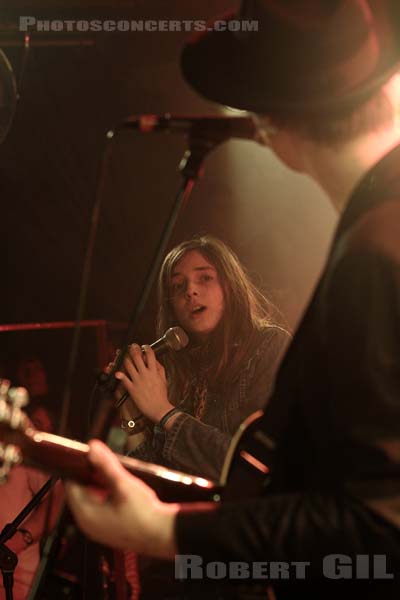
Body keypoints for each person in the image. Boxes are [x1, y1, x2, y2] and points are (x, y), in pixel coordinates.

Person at [65, 1, 400, 597]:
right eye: (177, 285)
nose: (189, 292)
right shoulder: (376, 229)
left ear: (269, 127)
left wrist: (164, 529)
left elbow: (378, 525)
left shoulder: (376, 254)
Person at [117, 235, 289, 481]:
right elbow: (151, 480)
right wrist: (131, 414)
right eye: (178, 286)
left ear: (230, 286)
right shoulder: (183, 371)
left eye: (205, 278)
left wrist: (165, 413)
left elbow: (250, 464)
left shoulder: (268, 346)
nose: (191, 291)